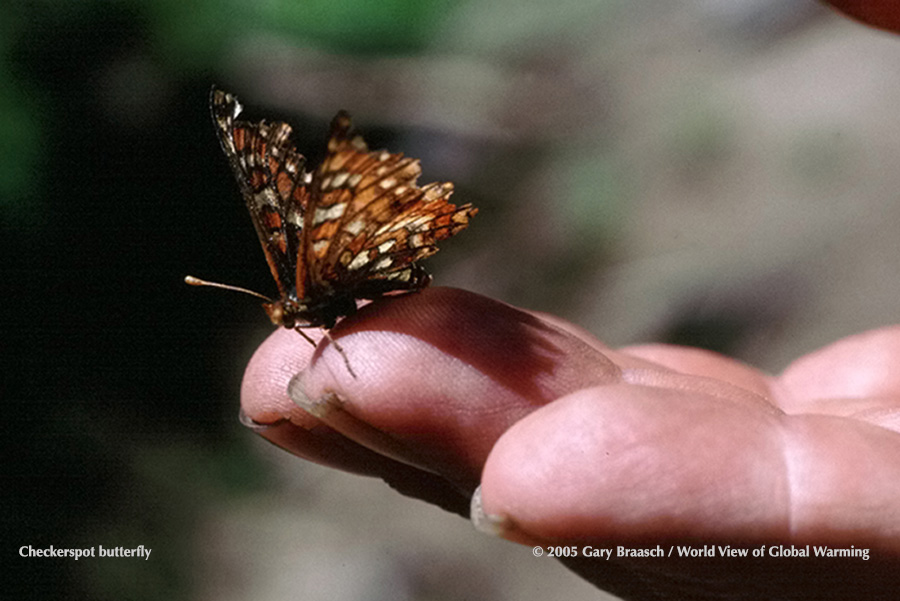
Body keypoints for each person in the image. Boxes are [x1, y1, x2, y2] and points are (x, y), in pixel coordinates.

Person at [239, 5, 900, 598]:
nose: (289, 318)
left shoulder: (312, 275)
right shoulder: (311, 288)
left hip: (379, 246)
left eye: (286, 314)